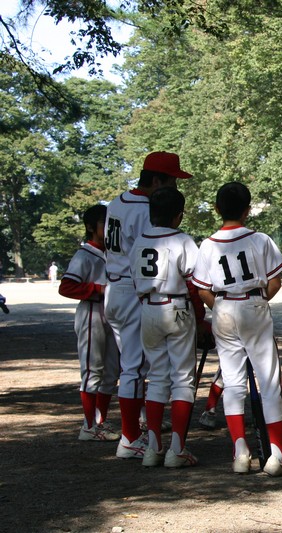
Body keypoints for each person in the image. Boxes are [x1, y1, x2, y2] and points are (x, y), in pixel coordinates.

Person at [192, 182, 282, 476]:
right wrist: (256, 303)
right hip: (254, 305)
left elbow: (201, 290)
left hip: (222, 305)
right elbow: (275, 282)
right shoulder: (259, 239)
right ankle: (278, 455)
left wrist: (223, 307)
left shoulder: (208, 243)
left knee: (233, 382)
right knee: (269, 380)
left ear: (216, 209)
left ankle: (240, 453)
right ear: (248, 210)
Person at [106, 151, 193, 460]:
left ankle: (140, 430)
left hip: (115, 287)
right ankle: (130, 437)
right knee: (134, 367)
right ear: (156, 179)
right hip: (134, 291)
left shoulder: (117, 201)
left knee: (138, 366)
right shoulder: (146, 209)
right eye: (170, 181)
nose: (173, 189)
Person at [131, 187, 204, 468]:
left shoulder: (139, 240)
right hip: (177, 308)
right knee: (183, 379)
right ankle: (177, 448)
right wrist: (200, 318)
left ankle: (153, 448)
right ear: (179, 215)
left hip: (148, 309)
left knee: (157, 377)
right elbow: (194, 284)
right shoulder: (183, 240)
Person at [59, 204, 120, 442]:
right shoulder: (84, 254)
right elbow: (67, 286)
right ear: (90, 227)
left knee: (111, 371)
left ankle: (100, 421)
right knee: (92, 369)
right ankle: (88, 425)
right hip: (92, 312)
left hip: (110, 313)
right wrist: (99, 289)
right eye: (104, 224)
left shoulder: (111, 254)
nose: (108, 229)